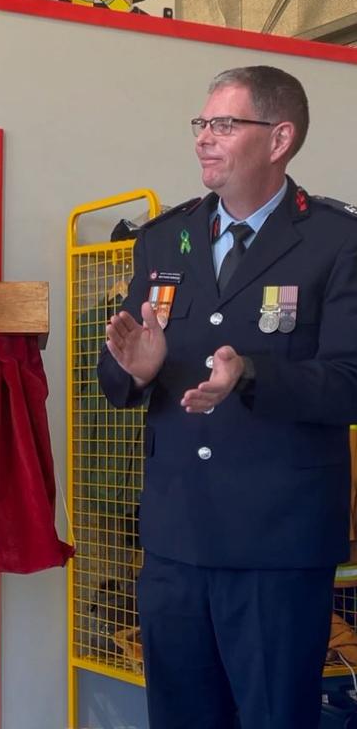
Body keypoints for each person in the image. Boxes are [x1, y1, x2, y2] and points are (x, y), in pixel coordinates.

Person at [98, 66, 357, 728]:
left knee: (273, 716)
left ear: (278, 139)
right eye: (200, 124)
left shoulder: (337, 241)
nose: (203, 140)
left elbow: (348, 381)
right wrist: (139, 368)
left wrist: (248, 373)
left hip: (276, 541)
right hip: (174, 538)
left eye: (223, 125)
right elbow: (116, 378)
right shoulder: (167, 238)